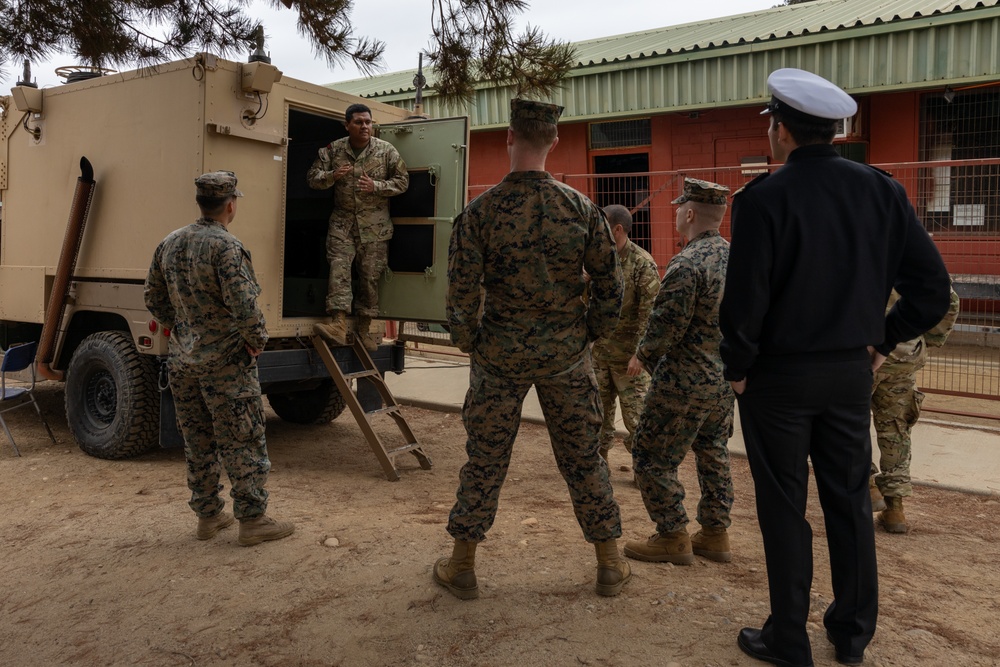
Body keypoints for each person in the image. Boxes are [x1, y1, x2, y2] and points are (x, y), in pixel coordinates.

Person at [719, 68, 951, 667]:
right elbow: (931, 290)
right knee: (848, 501)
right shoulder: (882, 191)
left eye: (771, 123)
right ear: (835, 131)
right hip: (851, 373)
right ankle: (851, 635)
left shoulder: (762, 199)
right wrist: (882, 342)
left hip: (778, 379)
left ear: (782, 131)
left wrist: (736, 367)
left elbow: (745, 302)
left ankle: (788, 638)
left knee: (783, 506)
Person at [434, 98, 628, 600]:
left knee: (486, 457)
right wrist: (589, 333)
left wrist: (471, 341)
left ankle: (462, 565)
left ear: (509, 137)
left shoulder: (479, 212)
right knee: (584, 456)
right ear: (555, 141)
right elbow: (612, 283)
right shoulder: (581, 208)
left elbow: (459, 292)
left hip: (499, 354)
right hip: (565, 352)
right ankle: (609, 562)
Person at [145, 171, 295, 547]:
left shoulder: (169, 243)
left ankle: (208, 517)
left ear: (201, 202)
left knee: (198, 440)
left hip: (184, 361)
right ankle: (253, 521)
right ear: (231, 205)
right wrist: (256, 340)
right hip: (227, 363)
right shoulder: (226, 247)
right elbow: (245, 306)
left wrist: (181, 329)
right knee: (242, 439)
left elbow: (153, 297)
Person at [623, 178, 735, 566]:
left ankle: (672, 534)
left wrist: (643, 356)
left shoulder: (687, 263)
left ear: (689, 213)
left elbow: (666, 324)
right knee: (713, 451)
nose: (674, 212)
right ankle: (716, 533)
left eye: (677, 207)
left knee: (651, 455)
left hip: (684, 380)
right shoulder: (735, 257)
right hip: (722, 379)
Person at [307, 103, 409, 351]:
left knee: (369, 277)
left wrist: (376, 186)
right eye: (359, 122)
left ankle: (364, 329)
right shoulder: (334, 150)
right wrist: (332, 176)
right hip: (342, 223)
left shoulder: (386, 151)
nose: (365, 127)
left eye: (368, 122)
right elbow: (312, 179)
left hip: (374, 226)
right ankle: (339, 324)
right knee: (339, 268)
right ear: (347, 125)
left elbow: (403, 181)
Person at [870, 287, 960, 533]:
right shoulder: (912, 255)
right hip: (905, 355)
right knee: (896, 429)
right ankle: (895, 510)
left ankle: (868, 484)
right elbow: (949, 300)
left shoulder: (859, 252)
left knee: (847, 422)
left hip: (863, 352)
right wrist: (926, 340)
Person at [591, 204, 660, 463]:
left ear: (617, 230)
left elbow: (651, 314)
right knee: (597, 415)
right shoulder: (597, 260)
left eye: (602, 227)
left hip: (629, 360)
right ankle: (598, 469)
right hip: (599, 355)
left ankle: (643, 470)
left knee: (637, 418)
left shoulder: (642, 263)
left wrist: (641, 355)